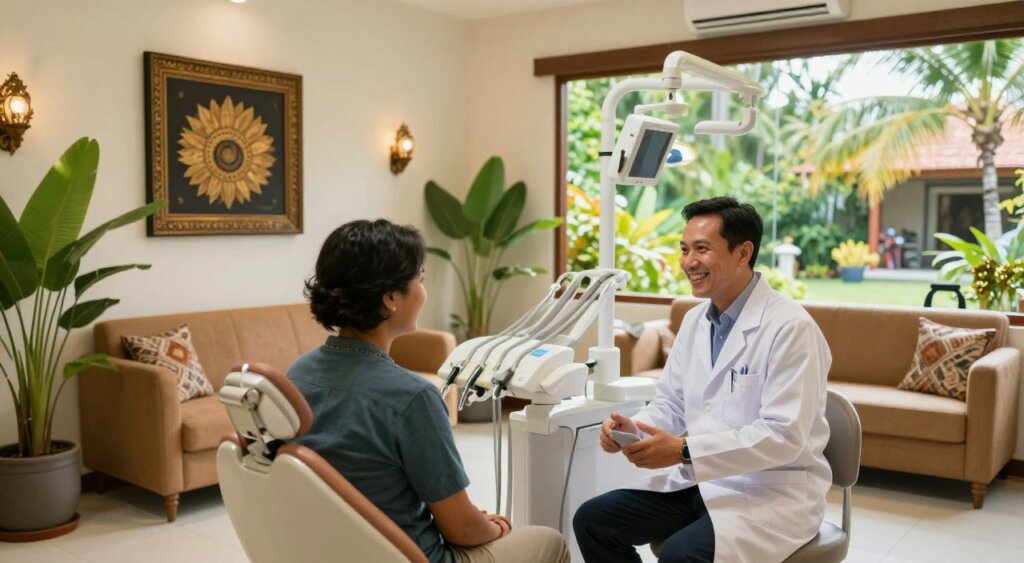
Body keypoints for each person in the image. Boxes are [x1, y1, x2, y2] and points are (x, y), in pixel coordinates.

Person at [289, 219, 569, 563]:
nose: (423, 291)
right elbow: (463, 530)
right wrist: (494, 527)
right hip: (409, 556)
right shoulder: (413, 397)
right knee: (549, 541)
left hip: (326, 550)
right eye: (419, 280)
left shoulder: (298, 374)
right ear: (391, 298)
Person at [573, 197, 832, 563]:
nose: (688, 262)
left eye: (701, 249)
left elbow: (784, 438)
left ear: (743, 252)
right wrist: (638, 428)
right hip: (702, 482)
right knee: (593, 520)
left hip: (768, 491)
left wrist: (683, 451)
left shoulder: (791, 329)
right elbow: (672, 402)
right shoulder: (695, 321)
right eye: (684, 249)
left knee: (680, 554)